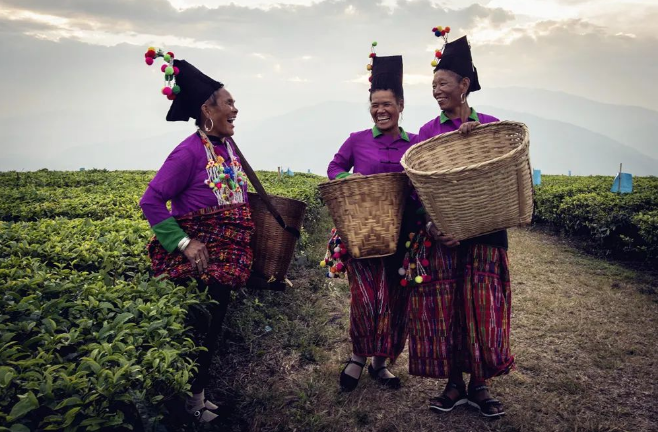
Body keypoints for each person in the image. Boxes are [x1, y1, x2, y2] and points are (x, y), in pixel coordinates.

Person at [403, 33, 513, 417]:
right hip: (444, 240)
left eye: (443, 84)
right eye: (433, 86)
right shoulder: (427, 136)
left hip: (485, 237)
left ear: (464, 85)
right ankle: (453, 384)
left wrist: (474, 139)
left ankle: (480, 384)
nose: (437, 91)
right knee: (447, 312)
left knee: (481, 310)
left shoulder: (492, 129)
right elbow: (415, 191)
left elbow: (502, 179)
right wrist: (432, 228)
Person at [139, 48, 251, 424]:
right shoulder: (187, 153)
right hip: (201, 262)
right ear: (208, 110)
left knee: (212, 327)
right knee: (200, 329)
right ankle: (191, 405)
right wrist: (184, 242)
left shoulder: (226, 148)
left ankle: (199, 395)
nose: (235, 109)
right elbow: (151, 200)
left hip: (226, 257)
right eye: (229, 103)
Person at [327, 45, 418, 392]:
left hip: (402, 234)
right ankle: (358, 356)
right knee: (365, 296)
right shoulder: (358, 140)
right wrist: (346, 180)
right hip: (363, 232)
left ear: (401, 106)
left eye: (387, 104)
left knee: (395, 299)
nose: (381, 110)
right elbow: (335, 167)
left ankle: (382, 362)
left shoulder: (415, 142)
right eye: (375, 105)